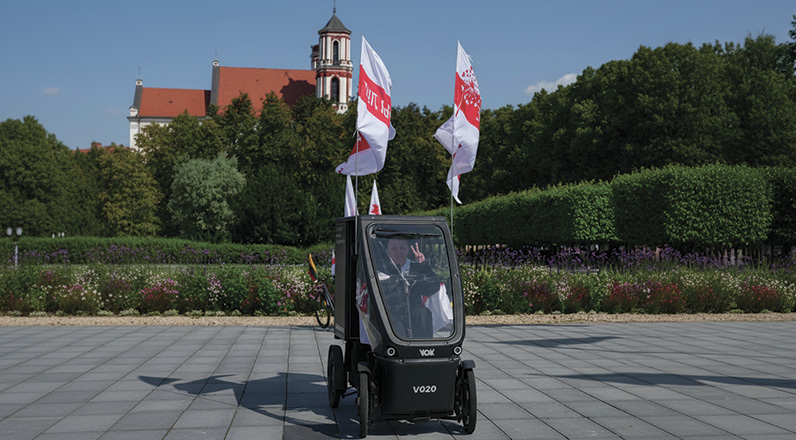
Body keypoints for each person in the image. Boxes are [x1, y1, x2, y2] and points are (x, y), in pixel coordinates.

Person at [379, 238, 440, 338]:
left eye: (402, 248)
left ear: (407, 250)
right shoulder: (381, 269)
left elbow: (433, 287)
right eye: (394, 249)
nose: (399, 252)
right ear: (387, 251)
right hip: (390, 314)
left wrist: (423, 266)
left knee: (423, 313)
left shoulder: (416, 267)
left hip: (413, 316)